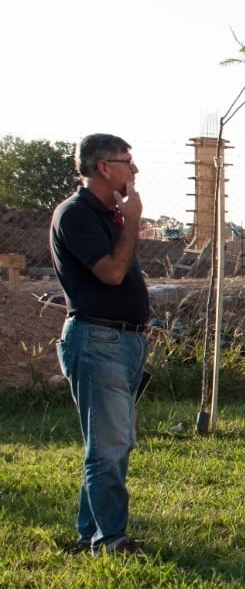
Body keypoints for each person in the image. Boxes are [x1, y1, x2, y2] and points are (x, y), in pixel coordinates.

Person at [49, 134, 149, 556]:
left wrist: (125, 220)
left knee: (113, 444)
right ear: (104, 167)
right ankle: (110, 541)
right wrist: (134, 222)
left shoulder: (109, 215)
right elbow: (110, 272)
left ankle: (90, 534)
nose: (134, 170)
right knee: (107, 448)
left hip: (122, 341)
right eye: (127, 161)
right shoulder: (75, 214)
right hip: (98, 340)